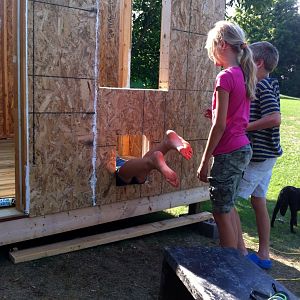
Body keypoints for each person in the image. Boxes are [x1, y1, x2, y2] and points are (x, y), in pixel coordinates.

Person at [197, 20, 256, 249]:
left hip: (229, 151)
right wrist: (213, 114)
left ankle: (229, 269)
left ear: (222, 44)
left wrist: (204, 162)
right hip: (242, 149)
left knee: (220, 212)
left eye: (211, 46)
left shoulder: (224, 77)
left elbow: (219, 126)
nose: (211, 52)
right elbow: (234, 115)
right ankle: (240, 256)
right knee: (228, 206)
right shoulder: (243, 73)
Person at [236, 41, 282, 269]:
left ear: (258, 62)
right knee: (258, 199)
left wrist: (244, 127)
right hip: (268, 156)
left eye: (247, 59)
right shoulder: (267, 83)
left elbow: (275, 118)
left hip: (259, 158)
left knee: (230, 201)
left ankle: (242, 254)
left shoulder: (261, 86)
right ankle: (263, 255)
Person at [116, 130, 193, 187]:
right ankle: (166, 144)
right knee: (143, 167)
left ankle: (153, 160)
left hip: (123, 165)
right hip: (130, 163)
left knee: (121, 175)